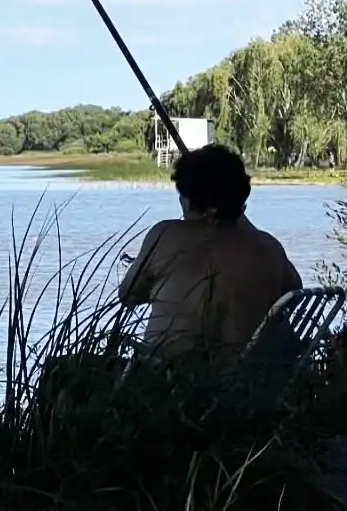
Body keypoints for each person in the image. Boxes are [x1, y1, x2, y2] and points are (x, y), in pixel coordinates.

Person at [118, 144, 302, 366]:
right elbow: (293, 290)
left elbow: (128, 295)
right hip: (249, 383)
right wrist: (237, 219)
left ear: (189, 198)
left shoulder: (164, 235)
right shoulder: (269, 246)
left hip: (172, 380)